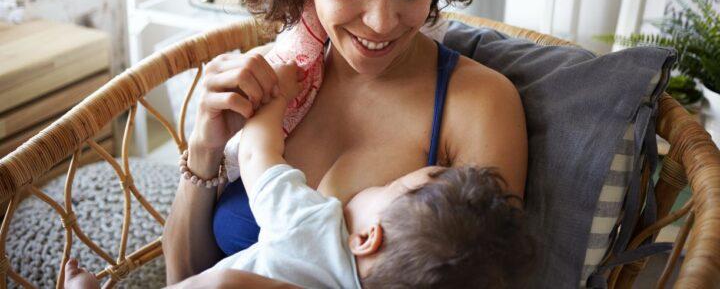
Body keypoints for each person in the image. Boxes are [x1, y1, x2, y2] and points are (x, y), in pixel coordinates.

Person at [162, 0, 528, 287]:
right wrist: (204, 149)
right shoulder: (270, 75)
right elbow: (181, 277)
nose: (381, 21)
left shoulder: (477, 104)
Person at [64, 63, 534, 289]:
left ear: (366, 238)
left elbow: (258, 153)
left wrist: (277, 100)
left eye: (391, 186)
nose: (380, 19)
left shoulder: (316, 222)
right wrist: (205, 148)